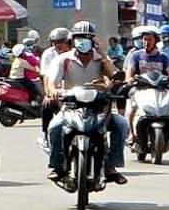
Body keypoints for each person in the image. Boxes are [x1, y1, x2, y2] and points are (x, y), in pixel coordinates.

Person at [45, 20, 127, 185]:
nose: (83, 41)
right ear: (73, 40)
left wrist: (103, 56)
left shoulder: (102, 59)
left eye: (87, 38)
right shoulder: (63, 60)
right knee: (54, 127)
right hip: (71, 106)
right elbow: (51, 82)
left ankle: (111, 166)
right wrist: (53, 92)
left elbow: (115, 76)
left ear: (93, 40)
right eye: (79, 38)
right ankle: (58, 167)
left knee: (121, 125)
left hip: (98, 107)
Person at [123, 24, 169, 136]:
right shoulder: (136, 55)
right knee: (131, 107)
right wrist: (129, 78)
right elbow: (130, 69)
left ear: (156, 41)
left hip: (159, 88)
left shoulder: (163, 57)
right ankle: (130, 134)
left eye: (149, 39)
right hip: (140, 88)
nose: (146, 42)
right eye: (144, 39)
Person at [8, 38, 43, 103]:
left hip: (14, 78)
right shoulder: (23, 61)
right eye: (24, 50)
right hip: (20, 79)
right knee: (34, 89)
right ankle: (33, 102)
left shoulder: (17, 60)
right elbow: (34, 69)